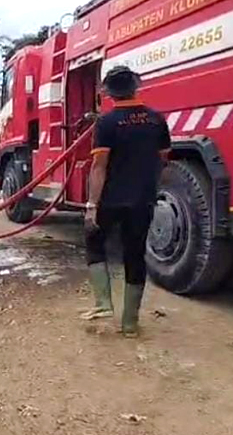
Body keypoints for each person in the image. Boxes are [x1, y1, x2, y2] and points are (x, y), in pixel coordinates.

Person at [82, 66, 170, 338]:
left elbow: (99, 166)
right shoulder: (157, 120)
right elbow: (164, 156)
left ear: (107, 91)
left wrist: (91, 205)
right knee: (135, 255)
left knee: (94, 242)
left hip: (110, 199)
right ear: (136, 86)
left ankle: (103, 304)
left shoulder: (107, 123)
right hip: (142, 200)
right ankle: (130, 323)